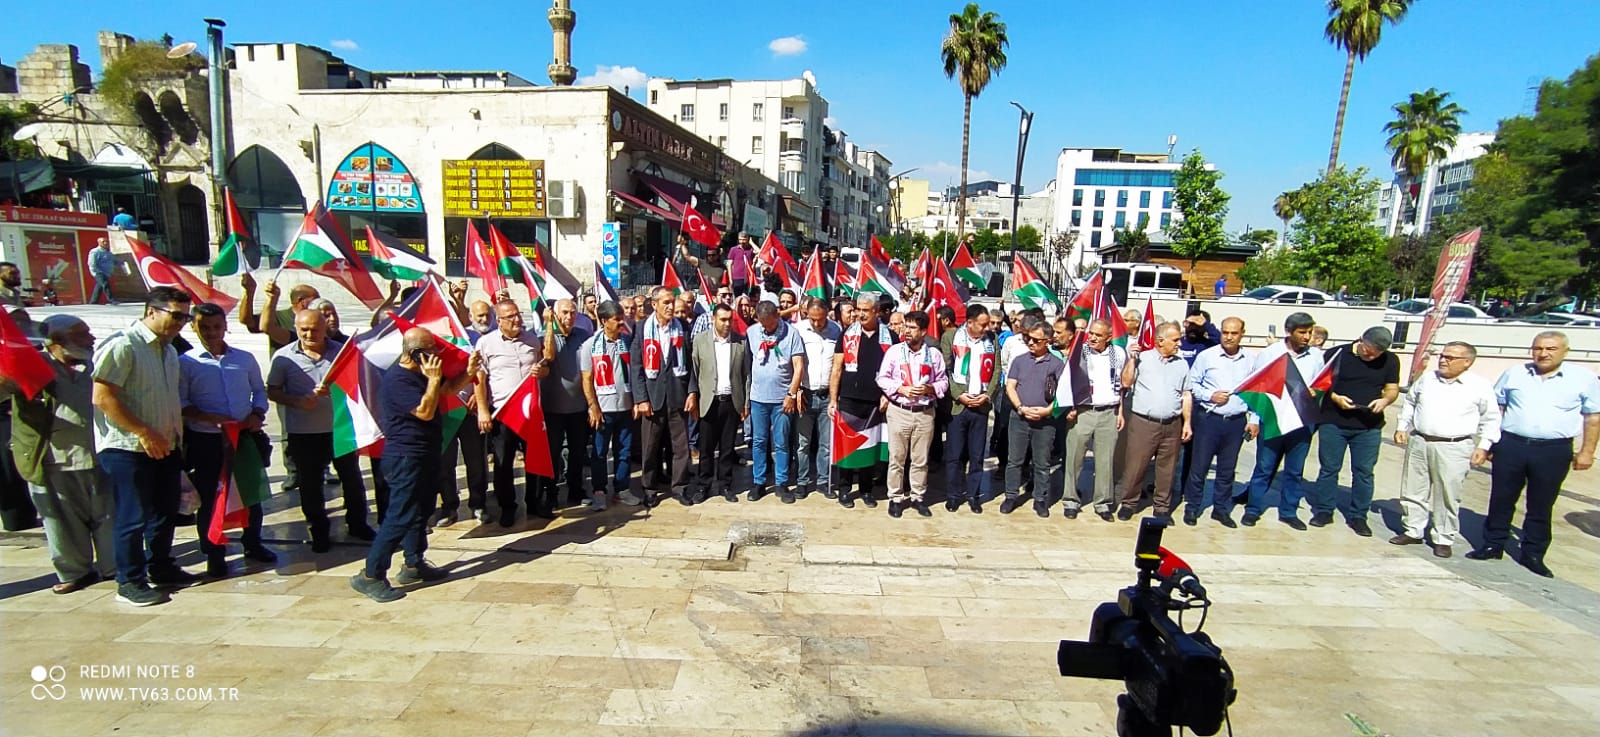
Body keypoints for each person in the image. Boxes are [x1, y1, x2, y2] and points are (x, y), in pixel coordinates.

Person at [350, 328, 480, 603]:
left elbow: (446, 389)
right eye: (430, 350)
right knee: (400, 516)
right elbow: (424, 410)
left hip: (426, 453)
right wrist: (433, 381)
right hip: (405, 457)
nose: (436, 355)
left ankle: (413, 563)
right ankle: (371, 574)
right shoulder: (398, 380)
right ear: (414, 353)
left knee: (421, 511)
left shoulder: (422, 374)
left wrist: (467, 372)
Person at [92, 286, 199, 606]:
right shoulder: (124, 346)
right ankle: (129, 580)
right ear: (151, 311)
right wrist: (142, 432)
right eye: (175, 315)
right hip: (129, 448)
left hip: (165, 446)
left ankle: (161, 566)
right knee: (132, 516)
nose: (181, 322)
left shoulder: (167, 350)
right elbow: (102, 396)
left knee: (165, 512)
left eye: (185, 316)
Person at [1468, 331, 1600, 578]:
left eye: (1551, 349)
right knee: (1501, 497)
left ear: (1565, 351)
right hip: (1512, 445)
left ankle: (1533, 553)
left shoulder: (1583, 379)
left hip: (1554, 449)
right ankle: (1493, 544)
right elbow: (1497, 409)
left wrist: (1587, 452)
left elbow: (1593, 417)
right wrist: (1488, 444)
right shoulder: (1515, 374)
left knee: (1541, 503)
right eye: (1538, 348)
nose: (1543, 353)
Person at [1, 315, 113, 594]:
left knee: (109, 516)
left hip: (99, 454)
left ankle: (115, 567)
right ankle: (75, 572)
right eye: (81, 334)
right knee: (61, 522)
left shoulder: (99, 362)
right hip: (52, 458)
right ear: (57, 342)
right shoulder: (32, 366)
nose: (91, 338)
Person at [178, 303, 274, 578]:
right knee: (210, 498)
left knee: (250, 495)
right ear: (194, 327)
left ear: (225, 327)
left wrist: (257, 413)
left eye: (216, 327)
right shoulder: (187, 363)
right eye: (204, 327)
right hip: (207, 440)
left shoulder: (243, 359)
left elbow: (259, 391)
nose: (211, 332)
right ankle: (214, 553)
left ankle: (253, 543)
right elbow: (182, 402)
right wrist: (208, 418)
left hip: (243, 437)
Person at [267, 310, 376, 551]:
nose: (309, 334)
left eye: (314, 329)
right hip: (303, 432)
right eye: (304, 329)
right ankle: (319, 531)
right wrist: (298, 401)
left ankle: (358, 524)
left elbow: (361, 380)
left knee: (352, 479)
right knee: (310, 484)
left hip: (340, 428)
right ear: (296, 328)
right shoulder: (284, 357)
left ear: (325, 327)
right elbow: (272, 390)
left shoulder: (341, 353)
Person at [1392, 341, 1500, 558]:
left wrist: (1484, 446)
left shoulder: (1479, 386)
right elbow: (1411, 402)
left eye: (1450, 357)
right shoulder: (1428, 379)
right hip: (1420, 440)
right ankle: (1413, 530)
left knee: (1447, 494)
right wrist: (1402, 426)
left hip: (1454, 445)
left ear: (1467, 362)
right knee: (1413, 489)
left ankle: (1443, 537)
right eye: (1443, 355)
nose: (1443, 360)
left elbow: (1491, 418)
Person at [1309, 326, 1400, 536]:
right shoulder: (1336, 354)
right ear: (1361, 340)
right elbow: (1320, 386)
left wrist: (1385, 400)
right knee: (1329, 469)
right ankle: (1324, 510)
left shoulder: (1390, 360)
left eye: (1377, 353)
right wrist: (1336, 398)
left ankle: (1359, 515)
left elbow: (1392, 387)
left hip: (1368, 425)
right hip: (1334, 422)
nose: (1371, 355)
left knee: (1364, 472)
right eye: (1368, 350)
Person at [1241, 312, 1326, 529]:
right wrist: (1254, 420)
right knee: (1264, 467)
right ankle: (1252, 509)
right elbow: (1258, 389)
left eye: (1309, 332)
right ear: (1289, 332)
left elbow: (1321, 384)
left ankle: (1288, 512)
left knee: (1295, 470)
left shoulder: (1316, 356)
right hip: (1273, 420)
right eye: (1302, 332)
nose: (1307, 337)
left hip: (1301, 421)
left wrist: (1316, 393)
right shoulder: (1271, 354)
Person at [474, 300, 549, 526]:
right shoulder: (485, 343)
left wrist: (542, 371)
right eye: (510, 317)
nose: (517, 320)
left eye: (518, 314)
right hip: (502, 411)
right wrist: (483, 410)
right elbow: (479, 378)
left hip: (529, 411)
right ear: (499, 321)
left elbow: (544, 367)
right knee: (503, 462)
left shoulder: (531, 340)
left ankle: (534, 502)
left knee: (534, 459)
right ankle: (508, 506)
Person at [1114, 323, 1193, 523]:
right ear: (1160, 341)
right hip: (1144, 423)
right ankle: (1129, 503)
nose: (1179, 343)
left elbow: (1186, 394)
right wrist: (1132, 360)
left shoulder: (1181, 363)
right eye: (1175, 340)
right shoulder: (1143, 358)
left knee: (1167, 468)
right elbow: (1126, 383)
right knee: (1136, 465)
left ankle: (1161, 507)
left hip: (1172, 423)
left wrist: (1187, 423)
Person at [875, 310, 947, 518]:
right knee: (897, 457)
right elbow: (882, 378)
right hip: (900, 410)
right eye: (906, 326)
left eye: (912, 328)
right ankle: (896, 497)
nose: (907, 331)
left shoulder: (933, 355)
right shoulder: (895, 352)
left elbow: (943, 381)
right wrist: (900, 388)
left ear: (923, 331)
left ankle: (918, 496)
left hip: (924, 412)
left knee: (920, 458)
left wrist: (930, 389)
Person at [1183, 317, 1253, 526]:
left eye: (1234, 333)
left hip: (1235, 422)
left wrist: (1255, 419)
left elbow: (1257, 392)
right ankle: (1192, 507)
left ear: (1242, 334)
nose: (1229, 337)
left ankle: (1221, 509)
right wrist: (1209, 395)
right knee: (1199, 467)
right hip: (1209, 419)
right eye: (1225, 332)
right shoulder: (1207, 356)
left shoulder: (1250, 360)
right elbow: (1192, 384)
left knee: (1227, 469)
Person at [631, 286, 697, 506]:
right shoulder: (641, 329)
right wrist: (641, 399)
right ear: (654, 304)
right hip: (652, 397)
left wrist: (692, 392)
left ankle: (679, 487)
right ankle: (649, 488)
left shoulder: (683, 327)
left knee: (680, 447)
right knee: (650, 446)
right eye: (666, 303)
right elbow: (636, 366)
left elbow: (691, 364)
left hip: (678, 396)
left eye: (672, 302)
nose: (670, 307)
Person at [831, 292, 896, 509]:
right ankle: (844, 488)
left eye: (865, 310)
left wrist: (887, 395)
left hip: (875, 402)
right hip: (849, 400)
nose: (859, 314)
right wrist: (833, 400)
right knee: (848, 447)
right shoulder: (846, 334)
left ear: (877, 311)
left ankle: (867, 490)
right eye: (857, 309)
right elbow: (837, 368)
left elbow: (896, 372)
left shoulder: (890, 337)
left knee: (870, 447)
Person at [1063, 319, 1128, 520]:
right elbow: (1069, 379)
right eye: (1091, 333)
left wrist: (1121, 412)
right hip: (1083, 411)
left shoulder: (1119, 354)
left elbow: (1122, 386)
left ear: (1109, 337)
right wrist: (1070, 406)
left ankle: (1103, 503)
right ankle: (1071, 501)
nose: (1092, 337)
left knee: (1105, 460)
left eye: (1098, 335)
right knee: (1075, 457)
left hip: (1109, 412)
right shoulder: (1079, 351)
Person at [1000, 320, 1063, 517]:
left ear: (1047, 341)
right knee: (1014, 460)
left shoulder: (1057, 364)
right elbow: (1010, 386)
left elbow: (1062, 396)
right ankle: (1011, 495)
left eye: (1036, 340)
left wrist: (1046, 412)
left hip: (1045, 421)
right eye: (1028, 338)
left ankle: (1040, 499)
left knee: (1042, 462)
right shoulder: (1019, 360)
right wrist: (1020, 407)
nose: (1031, 343)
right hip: (1019, 416)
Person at [746, 301, 806, 503]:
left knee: (781, 442)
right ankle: (759, 481)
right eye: (763, 324)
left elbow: (798, 367)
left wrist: (791, 394)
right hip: (758, 398)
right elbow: (748, 365)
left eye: (770, 324)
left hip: (782, 400)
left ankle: (781, 482)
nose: (766, 328)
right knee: (759, 441)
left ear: (777, 317)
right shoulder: (752, 332)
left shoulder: (791, 334)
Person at [690, 303, 750, 503]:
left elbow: (746, 375)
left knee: (727, 447)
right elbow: (695, 372)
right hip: (709, 401)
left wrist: (745, 403)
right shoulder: (700, 341)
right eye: (722, 320)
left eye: (729, 320)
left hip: (731, 401)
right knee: (706, 448)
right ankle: (703, 485)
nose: (726, 324)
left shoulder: (740, 342)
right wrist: (694, 397)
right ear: (713, 319)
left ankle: (725, 485)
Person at [538, 299, 594, 509]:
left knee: (577, 452)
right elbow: (548, 356)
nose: (569, 317)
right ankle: (551, 493)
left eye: (572, 313)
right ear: (555, 313)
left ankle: (575, 490)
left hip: (578, 407)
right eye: (565, 313)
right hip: (552, 409)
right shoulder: (545, 335)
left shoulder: (583, 335)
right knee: (552, 454)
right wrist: (550, 325)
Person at [944, 304, 999, 513]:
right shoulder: (952, 338)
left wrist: (987, 395)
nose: (987, 328)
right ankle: (953, 495)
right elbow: (946, 370)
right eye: (982, 324)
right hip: (959, 406)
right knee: (955, 454)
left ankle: (974, 495)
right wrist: (960, 395)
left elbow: (996, 369)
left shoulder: (991, 340)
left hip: (981, 405)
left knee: (977, 455)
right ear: (969, 322)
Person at [580, 300, 633, 511]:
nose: (621, 322)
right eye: (616, 319)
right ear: (603, 321)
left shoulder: (627, 341)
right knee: (600, 453)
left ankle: (622, 489)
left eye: (622, 318)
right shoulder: (590, 346)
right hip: (603, 408)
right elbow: (586, 378)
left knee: (625, 451)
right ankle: (599, 490)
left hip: (626, 406)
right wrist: (593, 406)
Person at [794, 298, 841, 499]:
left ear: (826, 314)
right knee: (803, 442)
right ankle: (802, 481)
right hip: (805, 393)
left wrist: (834, 397)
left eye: (819, 320)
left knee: (826, 443)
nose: (815, 324)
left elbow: (838, 365)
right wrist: (795, 391)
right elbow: (792, 363)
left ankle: (823, 481)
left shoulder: (836, 330)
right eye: (812, 319)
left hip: (826, 395)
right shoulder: (798, 330)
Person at [87, 237, 119, 305]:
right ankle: (111, 300)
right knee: (105, 284)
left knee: (99, 286)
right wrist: (97, 272)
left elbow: (114, 261)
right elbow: (91, 263)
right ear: (99, 243)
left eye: (107, 241)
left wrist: (122, 262)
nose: (106, 243)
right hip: (99, 272)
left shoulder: (108, 253)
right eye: (103, 241)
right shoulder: (95, 251)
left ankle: (93, 302)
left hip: (107, 273)